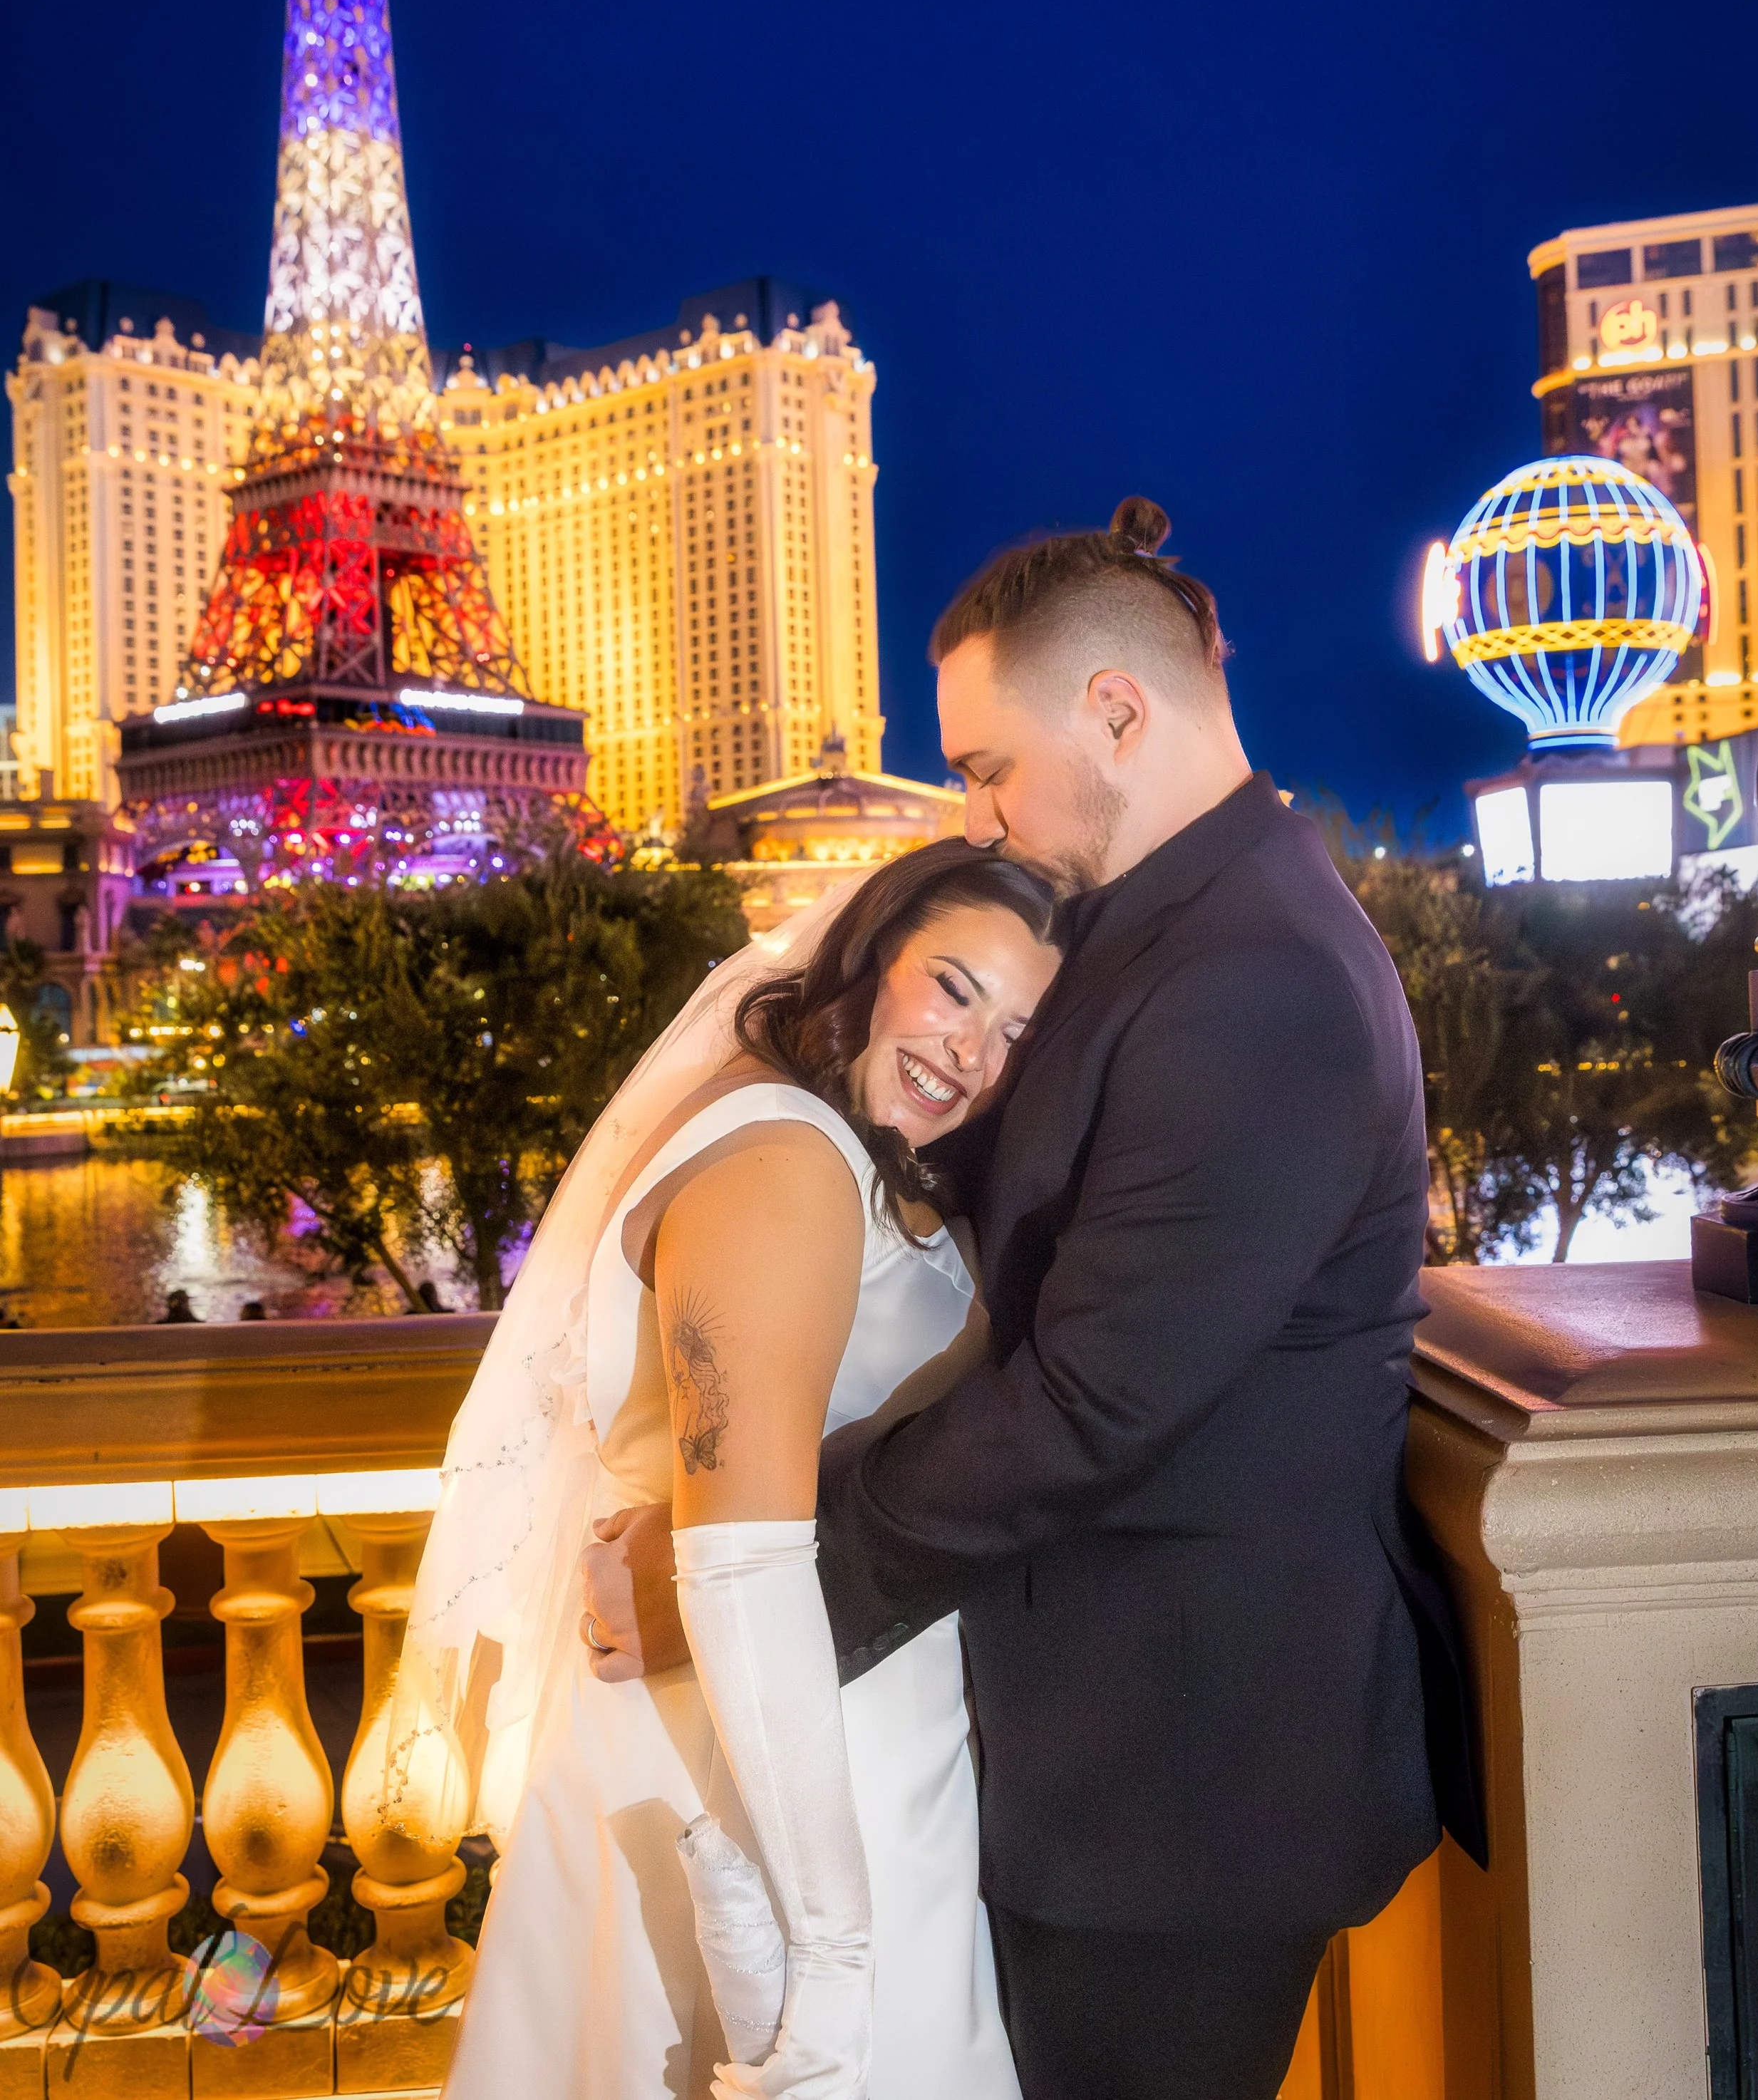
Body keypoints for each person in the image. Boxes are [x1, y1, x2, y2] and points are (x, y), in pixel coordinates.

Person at [587, 496, 1479, 2100]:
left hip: (1181, 1783)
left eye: (989, 763)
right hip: (1101, 1755)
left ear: (1116, 711)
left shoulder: (1254, 974)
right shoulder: (1161, 935)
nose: (977, 811)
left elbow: (1100, 1398)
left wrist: (764, 1563)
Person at [410, 841, 1060, 2099]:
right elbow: (741, 1566)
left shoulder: (875, 1167)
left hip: (870, 1757)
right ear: (871, 964)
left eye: (1020, 1030)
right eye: (954, 987)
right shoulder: (782, 1164)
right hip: (762, 1781)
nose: (972, 1051)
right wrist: (829, 1957)